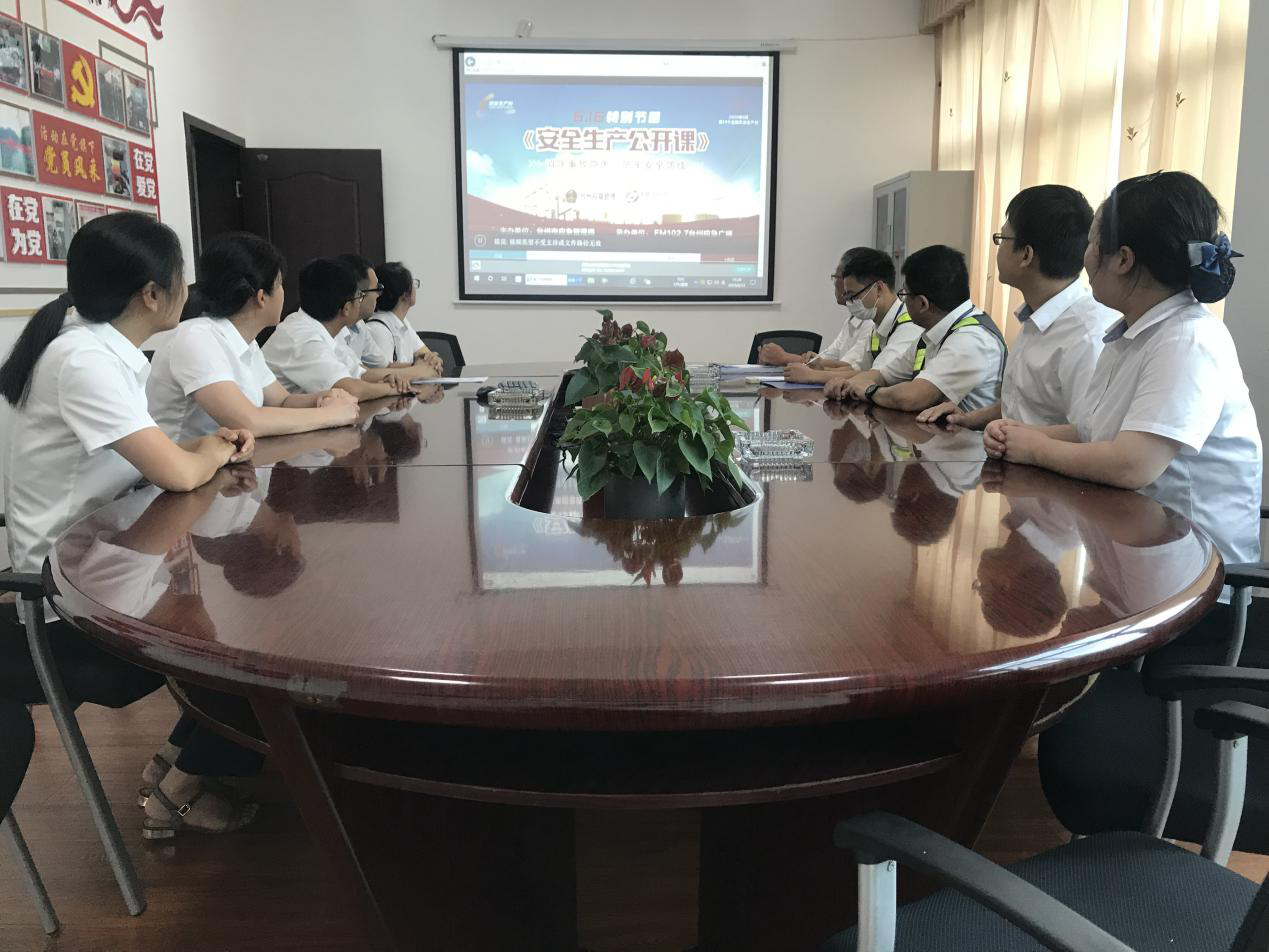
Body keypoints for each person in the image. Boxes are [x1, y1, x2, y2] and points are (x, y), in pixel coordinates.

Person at [0, 212, 258, 836]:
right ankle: (182, 785)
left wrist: (205, 449)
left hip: (110, 558)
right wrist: (211, 451)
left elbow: (158, 459)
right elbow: (176, 472)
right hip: (66, 599)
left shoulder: (98, 348)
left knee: (241, 624)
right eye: (180, 279)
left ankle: (178, 763)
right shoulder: (82, 359)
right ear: (150, 294)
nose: (188, 292)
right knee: (251, 646)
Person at [984, 171, 1262, 569]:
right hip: (1135, 553)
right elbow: (1093, 430)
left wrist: (1033, 448)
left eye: (1093, 243)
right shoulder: (1134, 332)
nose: (1084, 257)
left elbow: (1132, 464)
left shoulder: (1188, 339)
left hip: (1194, 574)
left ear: (1123, 259)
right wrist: (1018, 433)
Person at [917, 185, 1115, 429]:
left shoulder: (1087, 337)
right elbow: (1023, 404)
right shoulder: (1037, 315)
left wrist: (1016, 439)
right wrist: (968, 419)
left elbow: (1087, 434)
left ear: (1026, 255)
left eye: (1002, 239)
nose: (998, 249)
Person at [147, 233, 359, 442]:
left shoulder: (245, 341)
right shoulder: (196, 338)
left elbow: (282, 401)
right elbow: (248, 421)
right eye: (280, 284)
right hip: (186, 462)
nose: (284, 293)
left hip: (230, 458)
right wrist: (330, 415)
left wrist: (326, 398)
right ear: (261, 297)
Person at [834, 245, 1006, 414]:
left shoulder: (971, 339)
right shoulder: (933, 333)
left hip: (968, 433)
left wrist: (870, 391)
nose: (902, 302)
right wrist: (847, 385)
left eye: (905, 295)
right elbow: (884, 375)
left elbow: (913, 397)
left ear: (922, 303)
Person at [261, 257, 417, 401]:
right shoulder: (303, 338)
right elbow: (349, 390)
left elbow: (359, 374)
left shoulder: (327, 331)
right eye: (359, 296)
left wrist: (388, 379)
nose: (361, 302)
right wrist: (391, 388)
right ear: (347, 308)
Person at [784, 247, 918, 386]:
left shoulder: (907, 327)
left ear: (878, 288)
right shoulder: (878, 325)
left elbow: (877, 376)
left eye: (853, 296)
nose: (849, 303)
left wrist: (813, 376)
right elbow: (857, 369)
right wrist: (821, 367)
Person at [756, 250, 875, 369]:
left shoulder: (870, 323)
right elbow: (826, 359)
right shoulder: (851, 321)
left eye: (836, 277)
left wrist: (784, 357)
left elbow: (850, 367)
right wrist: (800, 359)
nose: (834, 283)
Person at [338, 254, 442, 378]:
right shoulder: (375, 329)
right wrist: (421, 371)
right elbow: (365, 376)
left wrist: (427, 363)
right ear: (359, 295)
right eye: (376, 289)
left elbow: (385, 366)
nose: (378, 295)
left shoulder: (360, 326)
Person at [366, 261, 445, 372]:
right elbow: (384, 374)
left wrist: (435, 361)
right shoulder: (378, 330)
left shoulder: (402, 322)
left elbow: (428, 356)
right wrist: (423, 368)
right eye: (413, 284)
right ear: (405, 295)